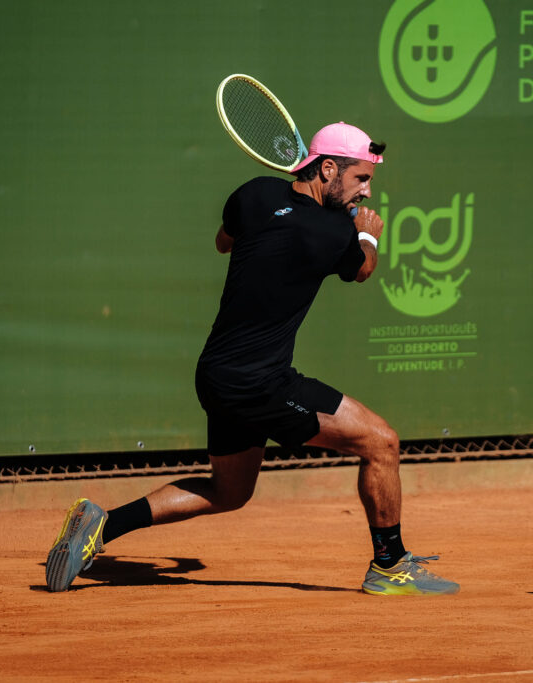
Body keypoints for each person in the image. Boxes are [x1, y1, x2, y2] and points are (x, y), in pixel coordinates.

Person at [46, 122, 459, 595]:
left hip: (218, 375)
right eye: (361, 179)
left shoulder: (255, 194)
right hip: (261, 383)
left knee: (230, 492)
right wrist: (368, 236)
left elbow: (225, 242)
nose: (365, 192)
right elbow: (363, 270)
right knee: (381, 442)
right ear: (328, 169)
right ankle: (390, 564)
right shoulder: (333, 230)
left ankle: (102, 525)